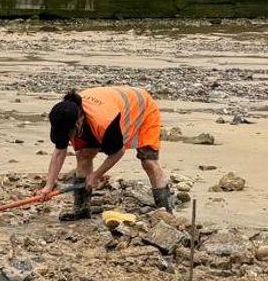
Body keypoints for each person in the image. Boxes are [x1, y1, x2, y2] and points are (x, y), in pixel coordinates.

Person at [42, 87, 172, 220]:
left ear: (79, 121)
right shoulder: (62, 118)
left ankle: (166, 214)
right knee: (83, 155)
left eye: (69, 134)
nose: (68, 138)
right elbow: (59, 152)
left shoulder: (104, 122)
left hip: (142, 108)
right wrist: (49, 185)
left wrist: (96, 176)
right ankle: (81, 210)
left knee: (149, 162)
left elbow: (118, 152)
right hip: (112, 107)